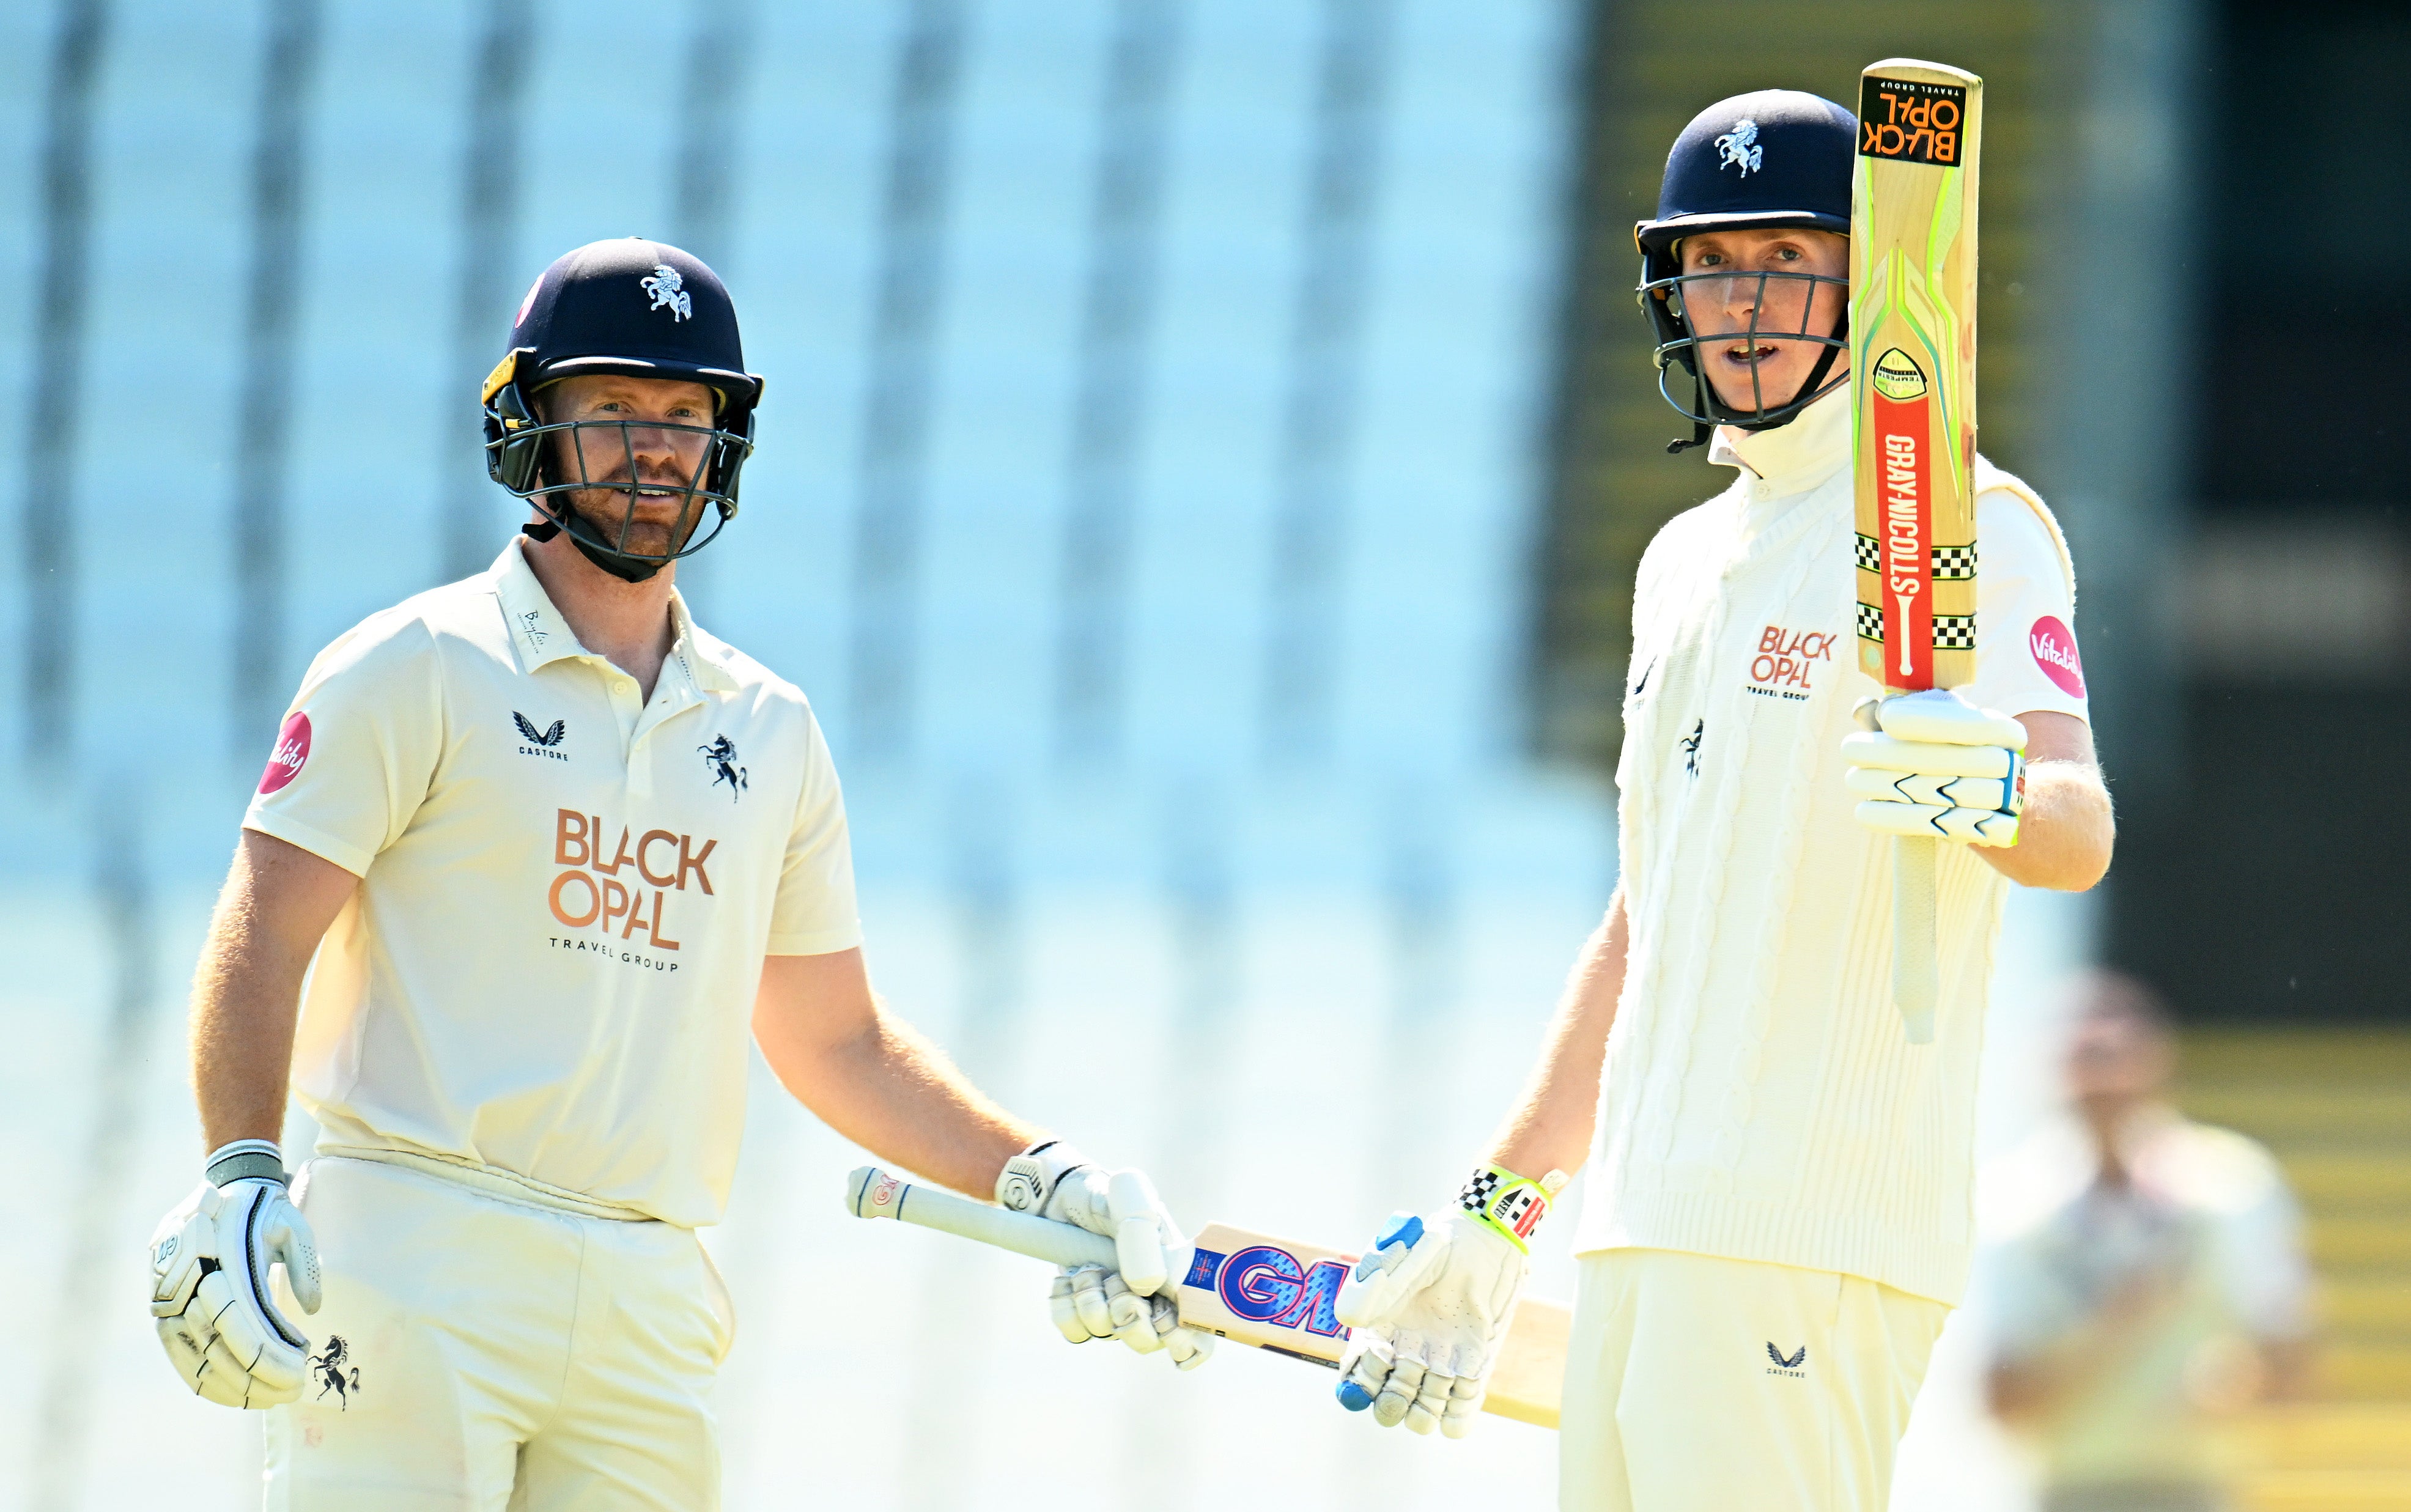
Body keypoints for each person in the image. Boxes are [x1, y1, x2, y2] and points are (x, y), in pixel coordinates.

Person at [144, 237, 1209, 1509]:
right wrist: (242, 1172)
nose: (653, 449)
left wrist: (1049, 1178)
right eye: (612, 411)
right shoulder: (412, 664)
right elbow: (265, 930)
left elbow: (841, 1044)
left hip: (651, 1284)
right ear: (527, 422)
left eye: (685, 416)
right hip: (414, 1246)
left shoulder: (768, 728)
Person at [1327, 91, 2116, 1510]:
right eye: (1711, 264)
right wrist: (1503, 1209)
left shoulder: (1966, 524)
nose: (1740, 304)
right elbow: (1647, 920)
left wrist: (1991, 784)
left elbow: (2077, 830)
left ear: (1866, 283)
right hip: (1643, 1223)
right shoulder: (1682, 561)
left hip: (1808, 1230)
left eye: (1783, 261)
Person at [1983, 974, 2314, 1512]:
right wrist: (2118, 1324)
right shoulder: (2016, 1206)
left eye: (2119, 1058)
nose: (2107, 1083)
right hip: (2071, 1489)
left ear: (2160, 1063)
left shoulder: (2233, 1187)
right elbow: (2000, 1401)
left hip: (2196, 1487)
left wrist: (2238, 1385)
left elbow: (2293, 1366)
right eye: (2089, 1061)